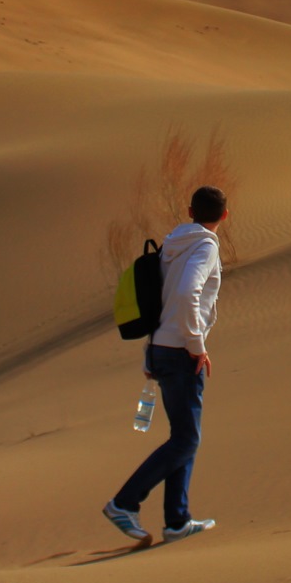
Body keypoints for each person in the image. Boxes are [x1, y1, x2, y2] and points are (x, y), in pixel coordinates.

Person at [102, 185, 226, 544]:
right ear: (225, 216)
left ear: (190, 210)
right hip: (179, 351)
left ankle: (177, 521)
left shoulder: (172, 244)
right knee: (187, 440)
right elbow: (188, 293)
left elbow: (162, 301)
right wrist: (197, 345)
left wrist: (152, 351)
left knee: (183, 438)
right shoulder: (205, 245)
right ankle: (124, 503)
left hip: (162, 346)